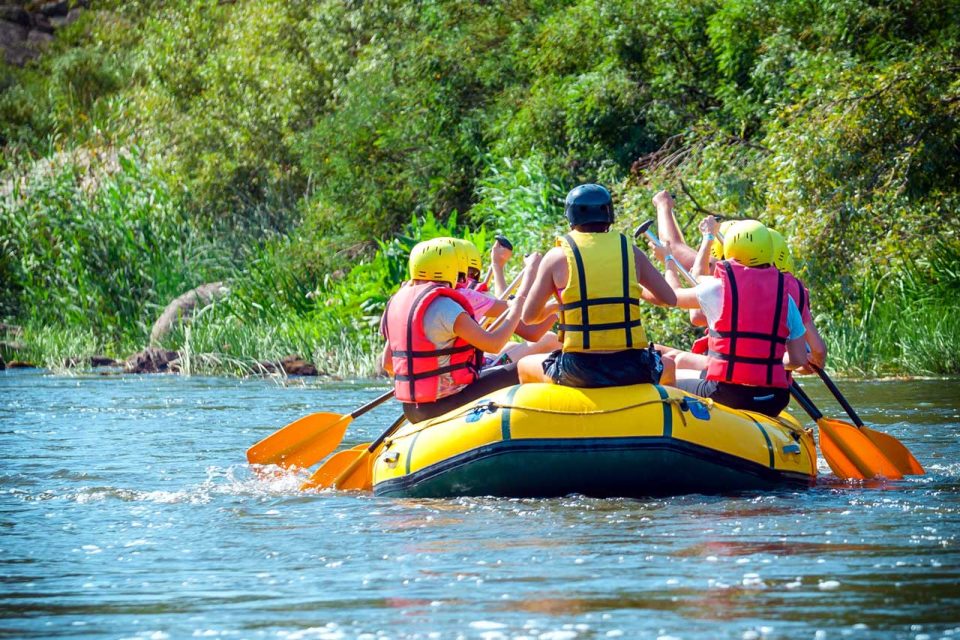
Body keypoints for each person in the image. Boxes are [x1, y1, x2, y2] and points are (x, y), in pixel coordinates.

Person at [517, 183, 679, 387]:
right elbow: (669, 299)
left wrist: (555, 307)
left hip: (578, 369)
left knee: (524, 365)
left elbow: (528, 317)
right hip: (632, 366)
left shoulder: (557, 257)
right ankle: (668, 415)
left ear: (571, 217)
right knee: (669, 365)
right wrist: (630, 289)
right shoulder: (630, 252)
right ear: (609, 216)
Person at [381, 238, 541, 423]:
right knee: (523, 367)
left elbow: (388, 364)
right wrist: (516, 308)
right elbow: (495, 344)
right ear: (450, 268)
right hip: (447, 403)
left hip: (411, 409)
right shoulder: (446, 306)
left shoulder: (398, 304)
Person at [661, 220, 808, 416]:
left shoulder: (718, 288)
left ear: (729, 249)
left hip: (728, 395)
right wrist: (764, 364)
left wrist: (668, 259)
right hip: (774, 399)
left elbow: (672, 295)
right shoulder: (786, 297)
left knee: (662, 382)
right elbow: (798, 359)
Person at [446, 237, 561, 366]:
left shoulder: (434, 294)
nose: (469, 280)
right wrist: (532, 270)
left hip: (457, 365)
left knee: (512, 345)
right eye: (469, 274)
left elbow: (504, 305)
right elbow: (531, 330)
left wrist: (497, 266)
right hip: (474, 370)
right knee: (550, 339)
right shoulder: (467, 296)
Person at [769, 229, 827, 372]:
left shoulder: (733, 283)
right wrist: (812, 360)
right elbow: (817, 352)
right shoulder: (793, 287)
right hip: (778, 378)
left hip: (733, 378)